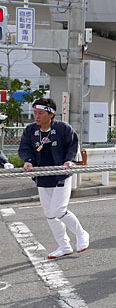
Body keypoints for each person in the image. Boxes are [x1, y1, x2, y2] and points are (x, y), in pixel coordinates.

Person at [18, 98, 88, 259]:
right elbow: (24, 148)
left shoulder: (62, 128)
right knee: (49, 213)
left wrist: (69, 160)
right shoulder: (30, 130)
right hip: (42, 175)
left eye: (41, 113)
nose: (37, 116)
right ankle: (64, 246)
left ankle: (81, 234)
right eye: (35, 113)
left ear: (51, 114)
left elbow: (73, 145)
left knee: (59, 210)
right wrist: (28, 161)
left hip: (61, 174)